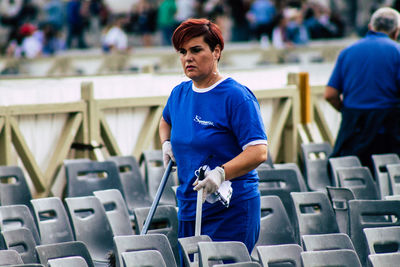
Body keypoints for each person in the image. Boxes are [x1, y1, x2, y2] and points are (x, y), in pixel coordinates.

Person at [159, 18, 268, 257]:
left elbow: (258, 151)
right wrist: (166, 143)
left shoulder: (236, 96)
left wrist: (221, 173)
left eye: (196, 50)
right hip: (189, 206)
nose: (188, 57)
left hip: (231, 209)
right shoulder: (179, 94)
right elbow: (165, 120)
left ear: (216, 51)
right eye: (183, 52)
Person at [325, 7, 400, 173]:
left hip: (353, 132)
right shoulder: (397, 52)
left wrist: (348, 112)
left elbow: (330, 94)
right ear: (396, 31)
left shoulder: (347, 52)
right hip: (388, 132)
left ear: (370, 27)